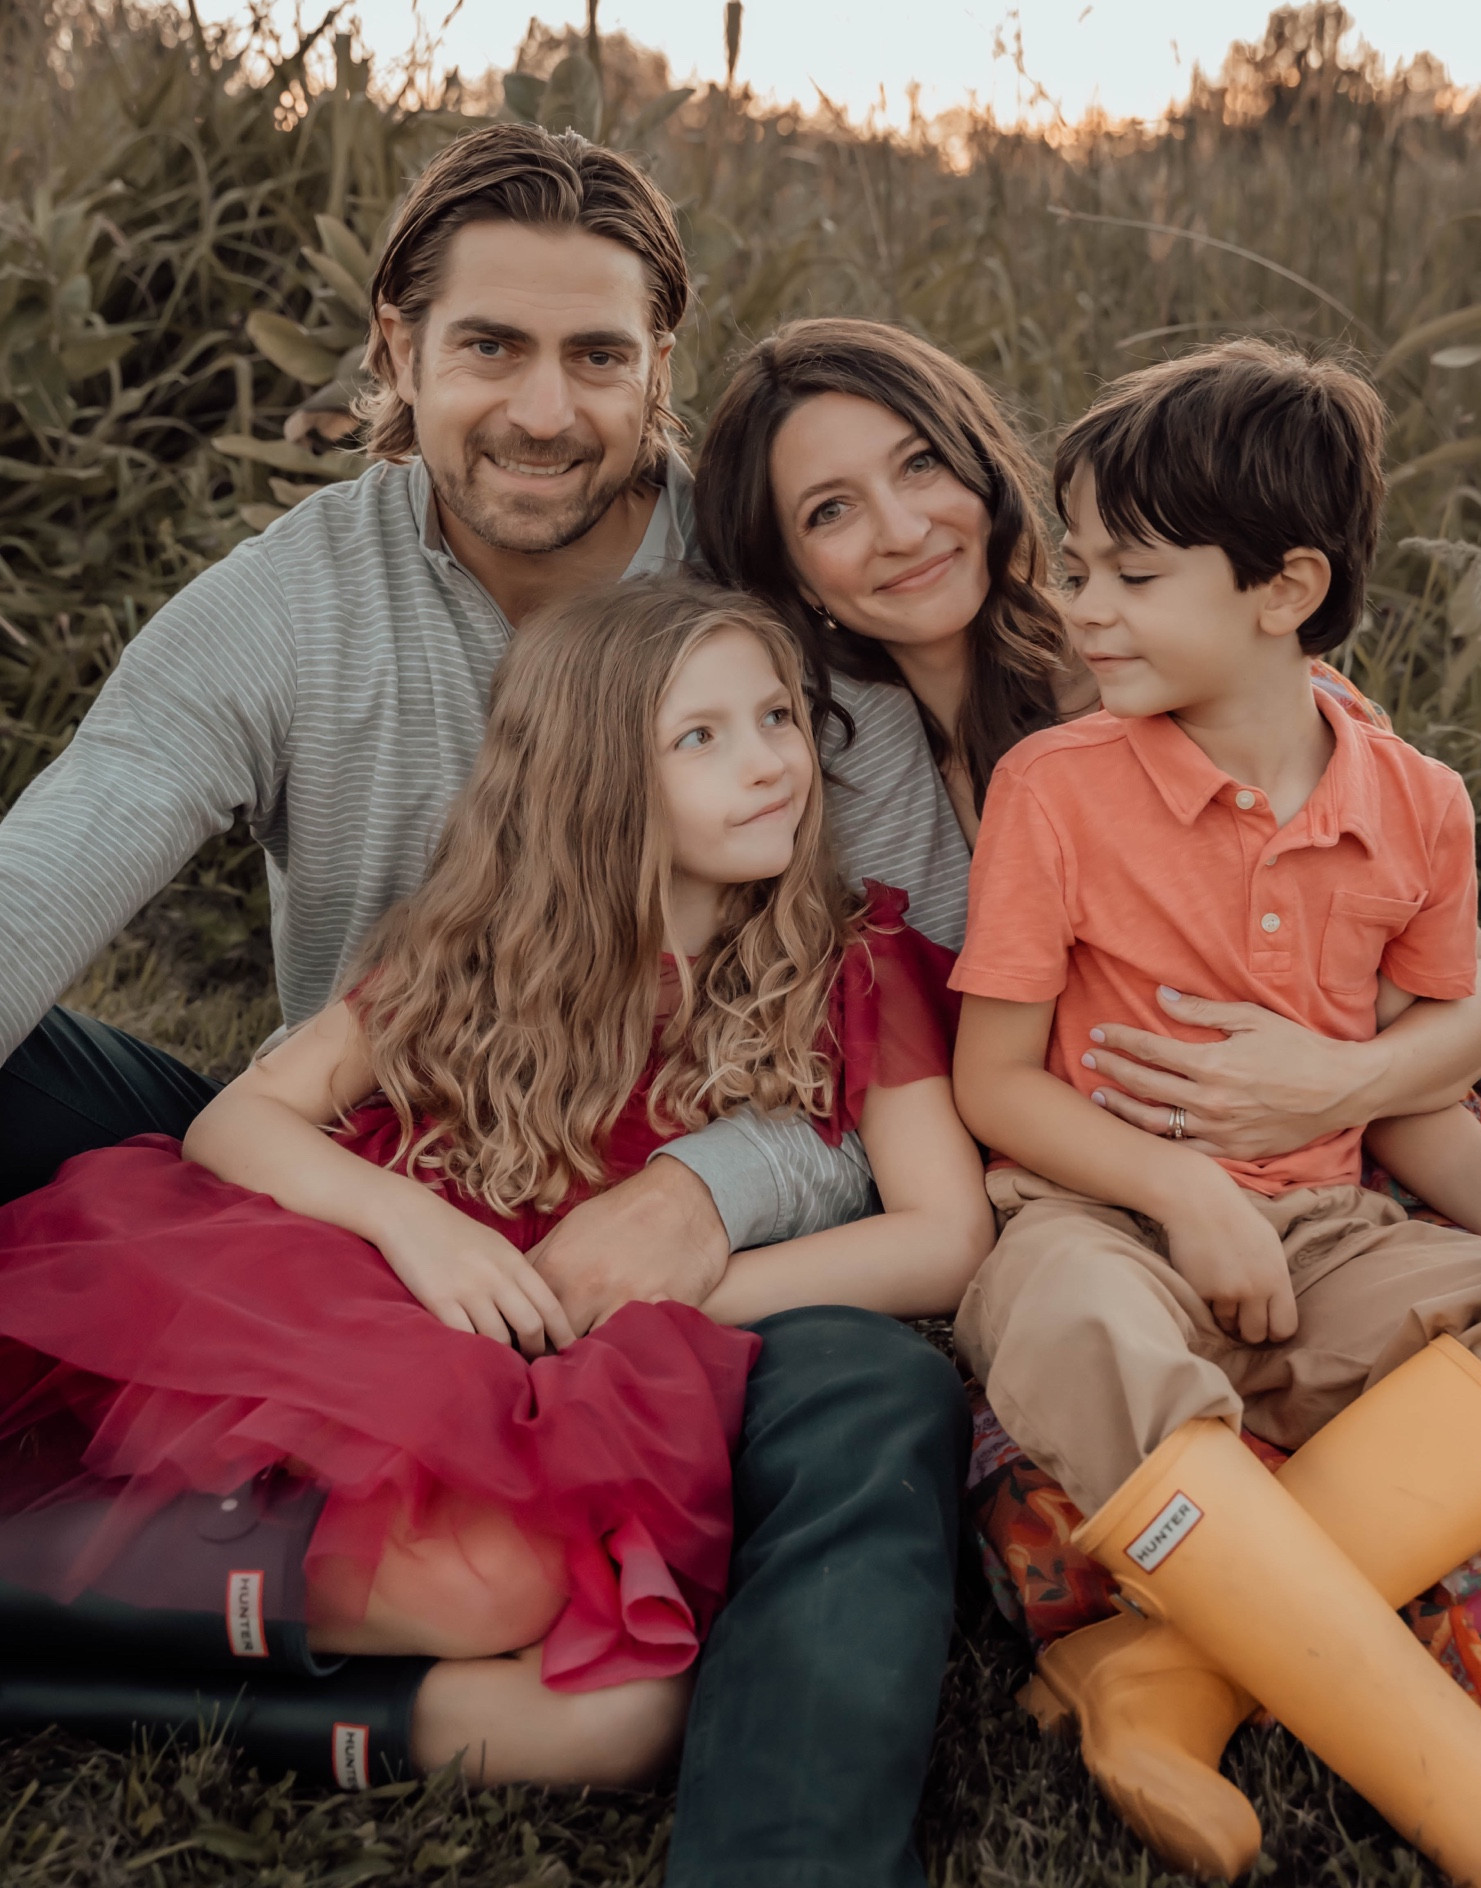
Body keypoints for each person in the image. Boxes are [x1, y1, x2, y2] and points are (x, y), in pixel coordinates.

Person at [0, 128, 974, 1888]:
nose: (545, 408)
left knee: (867, 1409)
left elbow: (922, 998)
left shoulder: (766, 601)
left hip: (692, 1227)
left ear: (657, 364)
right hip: (398, 1148)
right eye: (489, 349)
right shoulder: (289, 604)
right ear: (398, 352)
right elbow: (53, 869)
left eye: (596, 355)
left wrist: (722, 1186)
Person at [0, 575, 992, 1793]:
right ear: (594, 779)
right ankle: (76, 1583)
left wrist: (676, 1299)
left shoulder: (853, 958)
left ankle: (70, 1674)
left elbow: (943, 1233)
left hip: (600, 1357)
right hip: (384, 1305)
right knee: (494, 1581)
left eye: (776, 716)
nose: (767, 762)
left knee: (615, 1719)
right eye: (700, 735)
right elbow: (237, 1119)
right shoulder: (470, 946)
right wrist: (410, 1221)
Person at [946, 340, 1481, 1886]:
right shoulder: (1055, 790)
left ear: (1284, 588)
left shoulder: (1417, 808)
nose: (1082, 607)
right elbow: (995, 1084)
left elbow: (1420, 1105)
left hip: (1325, 1233)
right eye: (1076, 565)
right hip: (1097, 1216)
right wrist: (1179, 1194)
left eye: (1130, 572)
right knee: (1070, 1327)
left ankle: (1165, 1675)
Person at [693, 315, 1481, 1167]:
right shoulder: (807, 763)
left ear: (980, 467)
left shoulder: (1176, 663)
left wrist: (1332, 1086)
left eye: (921, 463)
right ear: (790, 572)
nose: (903, 530)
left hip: (1344, 1134)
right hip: (1074, 1181)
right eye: (830, 510)